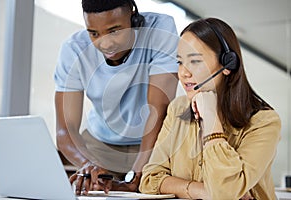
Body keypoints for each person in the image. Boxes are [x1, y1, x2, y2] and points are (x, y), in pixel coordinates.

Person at [139, 17, 281, 199]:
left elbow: (225, 192)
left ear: (227, 64)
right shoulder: (178, 108)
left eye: (195, 61)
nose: (183, 73)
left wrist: (212, 122)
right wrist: (201, 190)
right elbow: (149, 179)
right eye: (180, 62)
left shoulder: (264, 122)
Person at [54, 0, 179, 195]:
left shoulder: (159, 29)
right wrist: (88, 165)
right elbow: (65, 132)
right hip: (100, 144)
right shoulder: (73, 49)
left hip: (155, 141)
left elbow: (158, 109)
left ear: (133, 16)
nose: (105, 43)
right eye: (94, 33)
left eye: (114, 31)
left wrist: (138, 171)